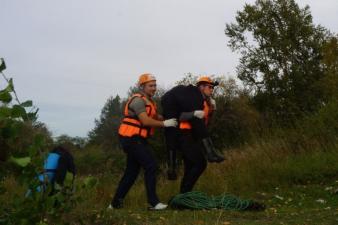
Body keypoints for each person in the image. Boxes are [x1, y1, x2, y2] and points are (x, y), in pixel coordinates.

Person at [109, 73, 178, 210]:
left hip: (137, 139)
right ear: (142, 86)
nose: (154, 88)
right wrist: (165, 124)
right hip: (131, 139)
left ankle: (114, 204)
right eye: (150, 85)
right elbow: (145, 121)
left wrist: (173, 117)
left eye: (155, 85)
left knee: (131, 172)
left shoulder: (149, 102)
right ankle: (153, 202)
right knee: (151, 165)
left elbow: (156, 116)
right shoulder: (138, 100)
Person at [161, 76, 224, 193]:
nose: (212, 90)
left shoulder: (205, 103)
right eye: (210, 87)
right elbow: (179, 116)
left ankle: (184, 195)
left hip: (193, 136)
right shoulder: (191, 98)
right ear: (201, 87)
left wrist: (212, 111)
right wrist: (193, 114)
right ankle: (184, 193)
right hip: (184, 135)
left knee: (190, 167)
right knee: (200, 163)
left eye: (212, 88)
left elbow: (206, 123)